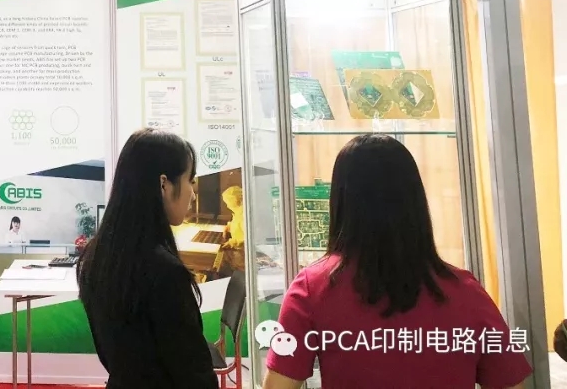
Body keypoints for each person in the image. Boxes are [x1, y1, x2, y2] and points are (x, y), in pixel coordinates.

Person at [263, 134, 531, 389]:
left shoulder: (312, 288)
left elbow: (278, 385)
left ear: (341, 201)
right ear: (415, 201)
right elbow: (512, 384)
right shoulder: (465, 290)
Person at [77, 128, 219, 389]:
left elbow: (110, 356)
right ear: (164, 184)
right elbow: (194, 374)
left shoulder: (95, 257)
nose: (193, 193)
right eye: (190, 180)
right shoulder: (165, 272)